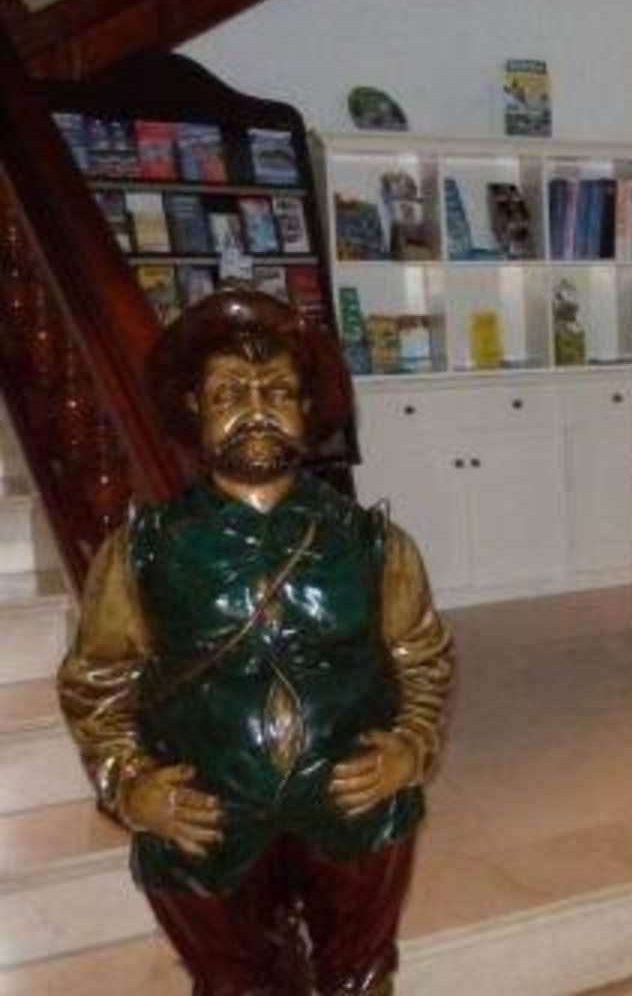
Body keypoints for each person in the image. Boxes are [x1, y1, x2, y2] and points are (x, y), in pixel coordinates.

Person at [58, 290, 452, 996]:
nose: (257, 408)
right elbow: (97, 681)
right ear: (194, 408)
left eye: (278, 391)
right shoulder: (142, 551)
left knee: (361, 979)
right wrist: (129, 784)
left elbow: (421, 660)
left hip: (355, 809)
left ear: (308, 409)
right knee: (233, 985)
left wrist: (410, 748)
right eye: (229, 392)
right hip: (205, 822)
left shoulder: (373, 543)